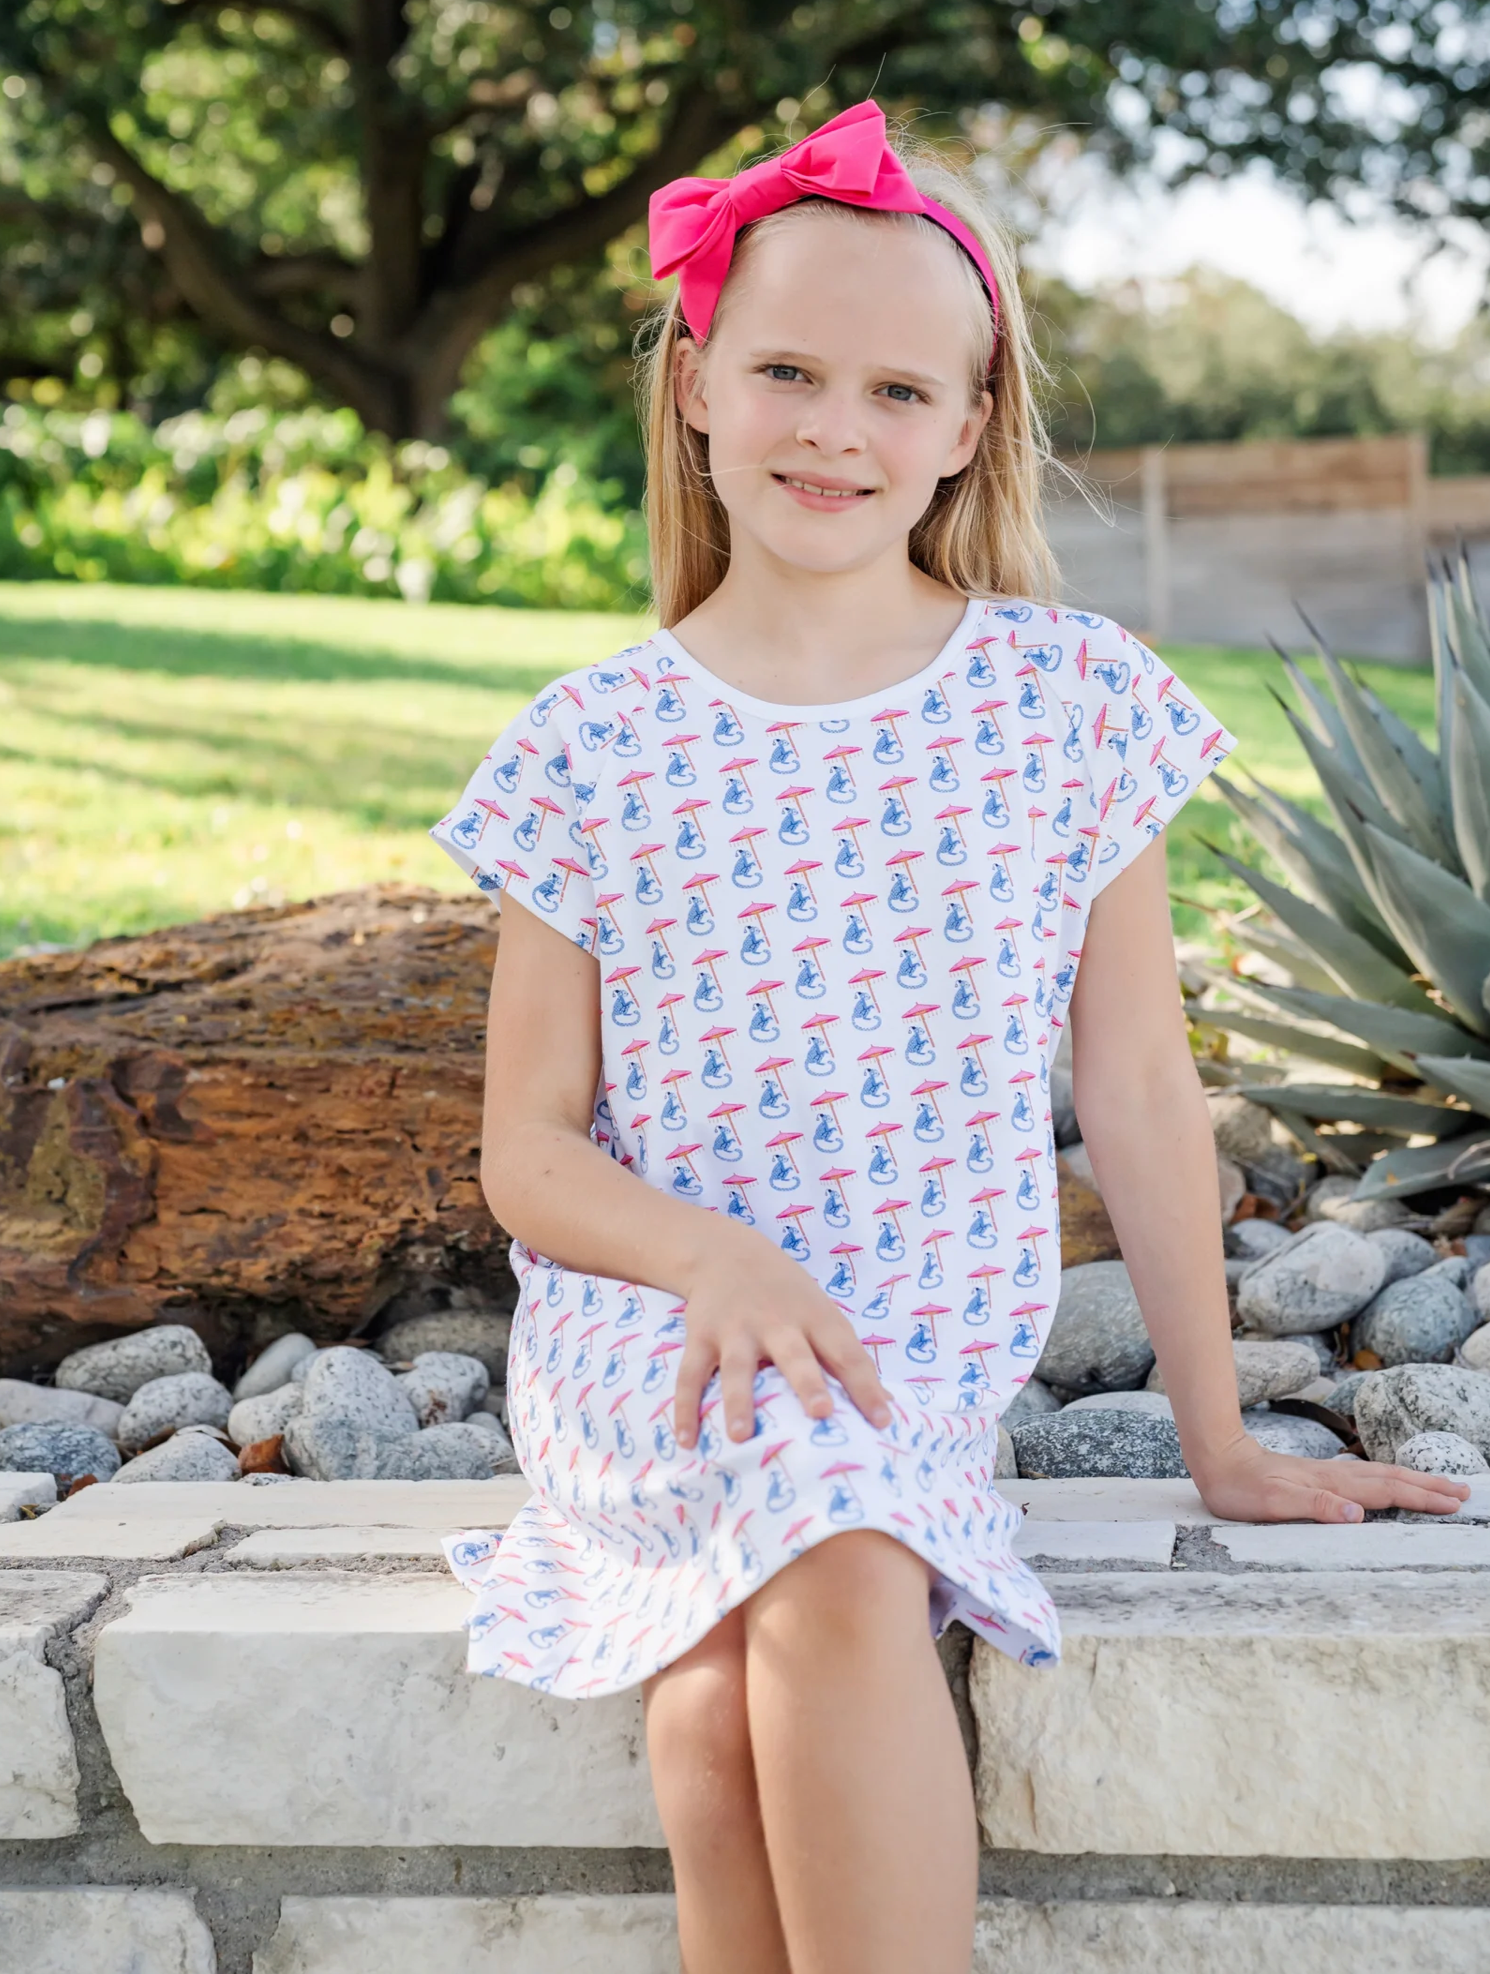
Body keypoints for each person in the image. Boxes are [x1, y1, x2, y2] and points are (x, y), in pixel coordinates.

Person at [429, 100, 1468, 1974]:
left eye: (897, 390)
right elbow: (529, 1148)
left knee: (721, 1694)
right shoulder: (586, 745)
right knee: (815, 1568)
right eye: (787, 371)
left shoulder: (1067, 703)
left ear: (968, 426)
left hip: (898, 1337)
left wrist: (1218, 1432)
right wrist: (715, 1257)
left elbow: (1138, 1086)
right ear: (696, 385)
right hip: (654, 1335)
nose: (835, 426)